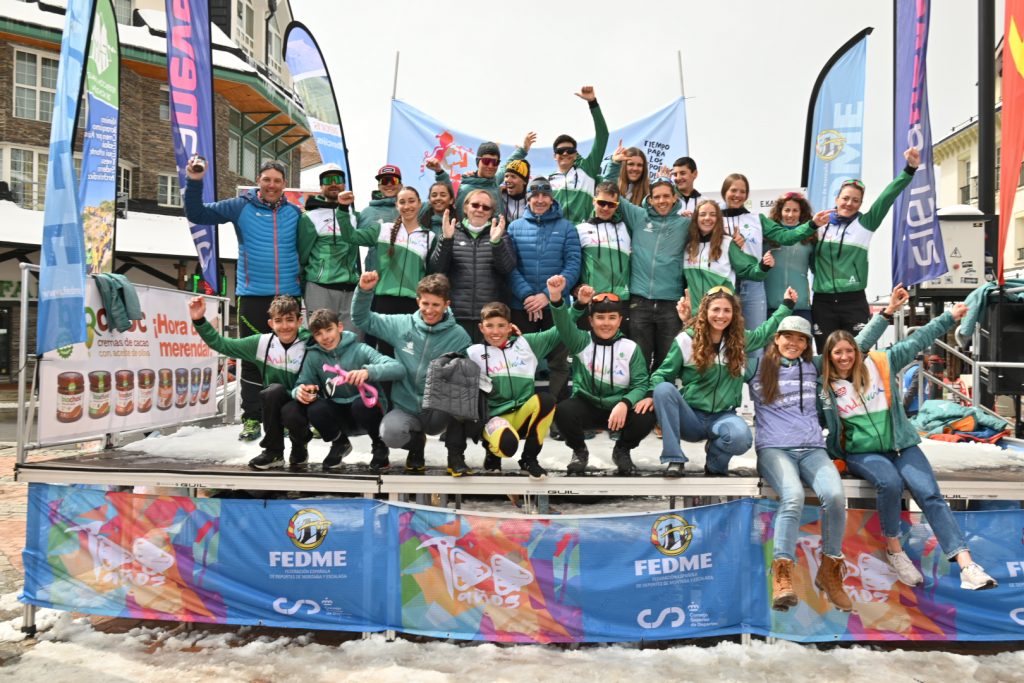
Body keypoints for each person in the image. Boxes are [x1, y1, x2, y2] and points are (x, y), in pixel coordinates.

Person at [818, 300, 998, 591]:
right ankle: (895, 551)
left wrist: (948, 317)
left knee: (930, 494)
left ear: (858, 351)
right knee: (888, 482)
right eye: (837, 352)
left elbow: (919, 339)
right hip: (861, 452)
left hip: (901, 445)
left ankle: (967, 565)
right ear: (828, 356)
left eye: (849, 351)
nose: (844, 357)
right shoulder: (825, 386)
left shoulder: (880, 363)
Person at [751, 286, 906, 612]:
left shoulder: (816, 367)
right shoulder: (757, 366)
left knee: (836, 497)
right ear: (776, 338)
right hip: (774, 449)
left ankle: (831, 572)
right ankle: (782, 576)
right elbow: (727, 352)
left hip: (811, 449)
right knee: (792, 496)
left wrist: (888, 312)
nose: (793, 343)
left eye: (801, 338)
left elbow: (855, 346)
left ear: (808, 344)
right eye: (787, 337)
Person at [184, 158, 302, 442]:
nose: (272, 185)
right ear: (258, 182)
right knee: (251, 359)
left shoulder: (295, 213)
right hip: (252, 295)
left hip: (288, 296)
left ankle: (286, 417)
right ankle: (251, 419)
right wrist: (194, 180)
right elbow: (197, 213)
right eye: (267, 179)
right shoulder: (241, 205)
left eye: (277, 180)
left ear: (284, 184)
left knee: (288, 361)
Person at [639, 285, 797, 478]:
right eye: (715, 309)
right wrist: (650, 394)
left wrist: (786, 305)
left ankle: (714, 463)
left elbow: (764, 333)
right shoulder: (686, 340)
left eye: (727, 310)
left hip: (723, 416)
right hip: (691, 418)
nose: (721, 315)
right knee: (663, 389)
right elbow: (662, 374)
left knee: (741, 438)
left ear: (734, 313)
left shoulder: (739, 340)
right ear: (705, 311)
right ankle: (674, 459)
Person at [777, 148, 922, 350]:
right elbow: (788, 235)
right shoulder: (818, 225)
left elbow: (887, 197)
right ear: (837, 199)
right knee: (826, 355)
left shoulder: (866, 223)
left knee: (858, 353)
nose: (849, 203)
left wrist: (909, 169)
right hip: (822, 302)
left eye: (855, 200)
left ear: (861, 203)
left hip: (853, 301)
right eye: (845, 198)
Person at [352, 271, 473, 476]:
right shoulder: (402, 324)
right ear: (418, 301)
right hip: (406, 407)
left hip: (438, 411)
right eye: (425, 303)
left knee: (464, 387)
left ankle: (455, 456)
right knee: (389, 434)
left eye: (436, 304)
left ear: (447, 304)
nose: (429, 310)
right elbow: (363, 319)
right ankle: (416, 446)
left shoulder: (459, 335)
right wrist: (364, 291)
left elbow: (471, 376)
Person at [547, 276, 655, 476]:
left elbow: (641, 384)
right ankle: (579, 451)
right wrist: (555, 296)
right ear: (591, 320)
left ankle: (622, 450)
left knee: (645, 414)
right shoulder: (581, 341)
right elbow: (563, 324)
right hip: (587, 405)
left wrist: (624, 403)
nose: (606, 323)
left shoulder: (630, 348)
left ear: (620, 320)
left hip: (618, 410)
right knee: (562, 410)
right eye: (600, 318)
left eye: (612, 317)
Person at [187, 294, 310, 470]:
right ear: (271, 324)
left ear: (299, 321)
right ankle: (273, 452)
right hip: (276, 402)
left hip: (303, 403)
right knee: (271, 392)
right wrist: (199, 320)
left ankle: (300, 447)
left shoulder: (309, 342)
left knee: (292, 411)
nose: (285, 326)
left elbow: (334, 338)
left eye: (290, 320)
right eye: (278, 321)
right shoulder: (261, 343)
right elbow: (222, 344)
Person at [284, 308, 403, 473]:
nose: (325, 337)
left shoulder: (360, 349)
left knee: (360, 405)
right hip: (339, 414)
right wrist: (299, 391)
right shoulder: (314, 356)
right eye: (318, 334)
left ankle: (379, 445)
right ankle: (340, 443)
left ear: (339, 327)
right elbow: (302, 383)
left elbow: (397, 368)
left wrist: (368, 372)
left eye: (329, 329)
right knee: (315, 407)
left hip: (366, 412)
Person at [507, 177, 582, 401]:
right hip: (522, 305)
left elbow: (573, 266)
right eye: (535, 196)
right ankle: (522, 409)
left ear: (551, 199)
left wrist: (547, 296)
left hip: (556, 306)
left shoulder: (566, 227)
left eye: (545, 196)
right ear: (528, 199)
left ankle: (556, 414)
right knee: (521, 360)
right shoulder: (514, 227)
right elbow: (509, 267)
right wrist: (528, 295)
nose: (540, 200)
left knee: (559, 362)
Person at [338, 186, 436, 355]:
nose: (407, 206)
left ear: (420, 204)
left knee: (408, 354)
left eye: (411, 201)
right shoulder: (382, 229)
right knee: (385, 353)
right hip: (383, 301)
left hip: (413, 304)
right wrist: (342, 209)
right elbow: (350, 237)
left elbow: (430, 274)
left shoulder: (430, 237)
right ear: (397, 206)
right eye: (402, 202)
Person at [467, 301, 559, 477]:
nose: (495, 332)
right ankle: (493, 454)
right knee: (507, 445)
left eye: (501, 326)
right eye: (490, 326)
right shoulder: (472, 353)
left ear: (510, 327)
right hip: (495, 418)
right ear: (481, 328)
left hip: (522, 415)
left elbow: (561, 329)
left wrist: (579, 305)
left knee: (546, 400)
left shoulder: (526, 344)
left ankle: (529, 459)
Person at [616, 176, 690, 371]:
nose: (662, 201)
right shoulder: (639, 216)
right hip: (640, 302)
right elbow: (611, 190)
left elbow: (712, 229)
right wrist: (614, 164)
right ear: (649, 199)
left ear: (675, 198)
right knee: (639, 363)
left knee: (666, 364)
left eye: (666, 196)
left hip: (670, 304)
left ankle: (659, 400)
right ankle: (640, 401)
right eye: (657, 197)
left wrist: (737, 241)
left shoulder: (685, 224)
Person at [430, 191, 517, 343]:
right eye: (475, 205)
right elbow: (438, 269)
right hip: (456, 316)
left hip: (490, 319)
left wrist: (496, 243)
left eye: (486, 207)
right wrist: (447, 240)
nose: (480, 210)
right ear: (465, 207)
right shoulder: (450, 232)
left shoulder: (501, 234)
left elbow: (507, 269)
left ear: (491, 212)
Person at [298, 165, 362, 334]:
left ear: (344, 185)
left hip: (350, 289)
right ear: (321, 187)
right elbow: (302, 255)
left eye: (338, 180)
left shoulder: (354, 216)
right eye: (327, 181)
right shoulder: (309, 217)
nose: (333, 184)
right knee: (322, 341)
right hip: (320, 288)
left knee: (353, 342)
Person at [681, 199, 772, 316]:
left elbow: (748, 270)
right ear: (695, 219)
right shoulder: (688, 247)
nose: (707, 218)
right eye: (702, 214)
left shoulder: (727, 243)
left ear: (718, 219)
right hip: (695, 314)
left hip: (720, 314)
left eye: (713, 214)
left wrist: (763, 266)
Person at [575, 181, 632, 331]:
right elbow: (572, 263)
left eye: (611, 204)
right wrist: (574, 289)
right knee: (587, 351)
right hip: (592, 300)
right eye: (602, 203)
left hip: (621, 300)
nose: (606, 208)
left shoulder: (626, 228)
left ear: (617, 205)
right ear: (594, 201)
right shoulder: (580, 230)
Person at [428, 136, 530, 219]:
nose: (490, 166)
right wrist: (439, 172)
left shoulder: (494, 180)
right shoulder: (465, 189)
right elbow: (447, 193)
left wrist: (523, 149)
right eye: (486, 161)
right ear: (478, 161)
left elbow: (508, 163)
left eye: (495, 162)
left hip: (499, 240)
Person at [720, 173, 769, 342]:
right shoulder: (712, 218)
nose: (738, 195)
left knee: (755, 340)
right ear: (724, 191)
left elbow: (784, 235)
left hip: (753, 284)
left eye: (742, 191)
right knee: (725, 340)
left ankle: (755, 370)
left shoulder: (756, 219)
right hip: (724, 283)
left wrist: (811, 225)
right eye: (733, 190)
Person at [548, 86, 609, 224]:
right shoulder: (548, 181)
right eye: (560, 151)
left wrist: (592, 103)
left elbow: (603, 135)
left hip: (582, 236)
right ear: (554, 156)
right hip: (556, 235)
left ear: (575, 155)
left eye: (569, 151)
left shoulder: (587, 170)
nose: (565, 153)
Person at [760, 192, 815, 329]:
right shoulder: (767, 237)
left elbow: (817, 268)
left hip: (800, 306)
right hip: (771, 307)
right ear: (780, 211)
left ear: (801, 213)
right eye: (787, 210)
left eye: (795, 210)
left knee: (801, 348)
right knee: (770, 349)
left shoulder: (810, 238)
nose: (790, 215)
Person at [502, 157, 532, 224]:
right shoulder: (499, 195)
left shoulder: (531, 200)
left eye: (513, 176)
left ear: (524, 181)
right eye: (506, 176)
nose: (508, 180)